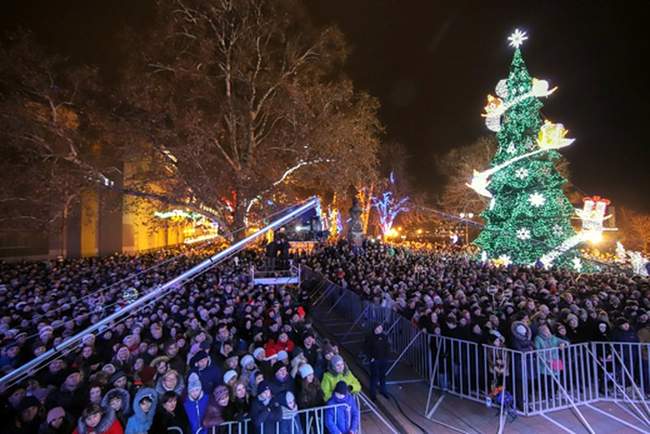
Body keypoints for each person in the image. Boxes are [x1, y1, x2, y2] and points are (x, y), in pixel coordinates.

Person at [364, 323, 390, 400]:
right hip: (375, 361)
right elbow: (366, 348)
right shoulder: (370, 337)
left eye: (381, 328)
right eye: (378, 328)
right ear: (375, 328)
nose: (379, 330)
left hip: (383, 360)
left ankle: (383, 390)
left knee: (383, 376)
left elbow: (387, 347)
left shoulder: (384, 337)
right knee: (374, 377)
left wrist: (387, 357)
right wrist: (371, 358)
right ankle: (373, 393)